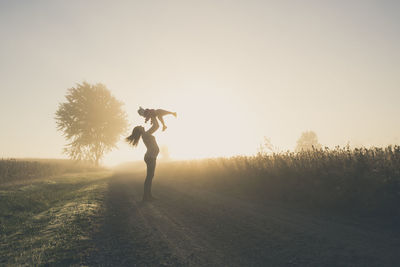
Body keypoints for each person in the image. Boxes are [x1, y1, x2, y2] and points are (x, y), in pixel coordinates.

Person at [126, 116, 160, 201]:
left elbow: (155, 126)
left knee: (150, 176)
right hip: (150, 157)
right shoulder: (146, 135)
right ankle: (146, 197)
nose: (141, 125)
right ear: (140, 130)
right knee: (149, 176)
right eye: (139, 126)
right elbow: (156, 126)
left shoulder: (146, 134)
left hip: (151, 157)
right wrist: (153, 115)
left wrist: (153, 117)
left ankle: (148, 196)